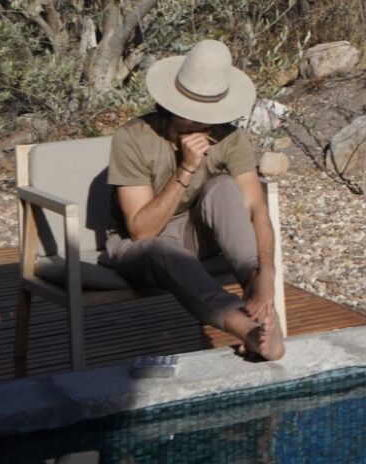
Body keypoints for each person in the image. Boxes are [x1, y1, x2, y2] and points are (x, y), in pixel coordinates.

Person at [106, 38, 285, 360]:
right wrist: (186, 169)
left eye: (209, 114)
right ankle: (247, 329)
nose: (201, 123)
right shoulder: (133, 138)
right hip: (140, 247)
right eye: (191, 114)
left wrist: (267, 274)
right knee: (163, 249)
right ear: (170, 104)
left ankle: (259, 303)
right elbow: (141, 231)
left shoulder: (229, 137)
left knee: (224, 187)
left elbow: (257, 208)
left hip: (196, 235)